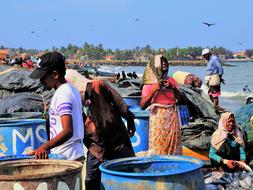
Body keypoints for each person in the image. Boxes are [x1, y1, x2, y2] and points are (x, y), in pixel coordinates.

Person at [65, 69, 136, 190]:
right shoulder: (73, 100)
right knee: (91, 180)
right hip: (96, 146)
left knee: (129, 172)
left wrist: (130, 119)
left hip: (116, 140)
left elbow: (119, 103)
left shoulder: (98, 86)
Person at [28, 52, 85, 161]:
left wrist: (45, 147)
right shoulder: (72, 89)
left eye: (43, 77)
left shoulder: (63, 93)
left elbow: (68, 130)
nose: (41, 81)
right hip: (74, 154)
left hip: (68, 157)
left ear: (55, 75)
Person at [139, 55, 185, 155]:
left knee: (173, 145)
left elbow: (181, 100)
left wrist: (172, 87)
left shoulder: (171, 81)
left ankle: (174, 166)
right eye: (161, 63)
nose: (164, 64)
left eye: (165, 63)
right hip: (157, 118)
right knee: (158, 145)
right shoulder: (149, 82)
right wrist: (155, 89)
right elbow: (142, 105)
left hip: (172, 117)